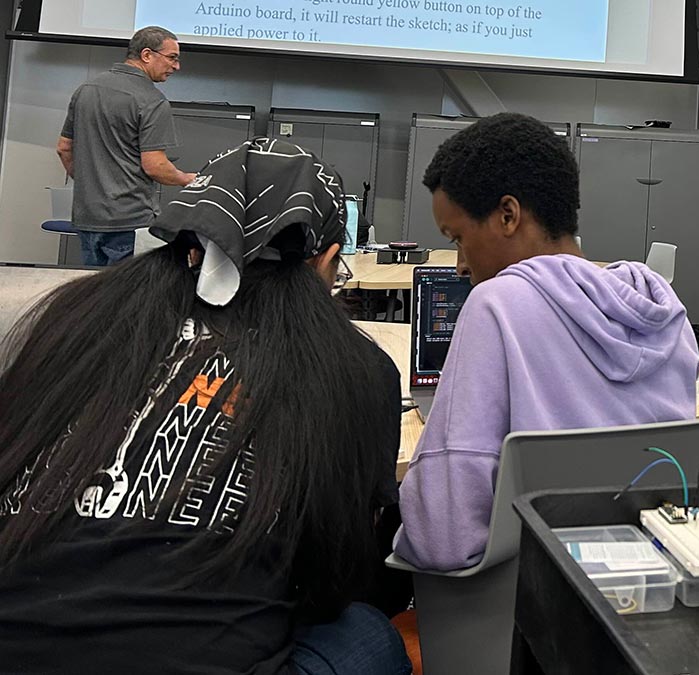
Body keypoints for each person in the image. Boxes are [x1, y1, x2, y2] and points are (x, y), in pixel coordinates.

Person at [0, 139, 410, 674]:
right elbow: (340, 577)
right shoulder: (351, 366)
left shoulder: (76, 319)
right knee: (366, 632)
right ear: (327, 260)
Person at [393, 113, 699, 571]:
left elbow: (443, 536)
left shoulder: (495, 305)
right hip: (656, 582)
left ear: (508, 215)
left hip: (529, 605)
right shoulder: (659, 309)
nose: (459, 265)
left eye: (458, 238)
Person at [56, 26, 196, 267]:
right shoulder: (152, 101)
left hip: (88, 216)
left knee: (94, 292)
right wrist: (187, 179)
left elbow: (64, 148)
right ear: (147, 55)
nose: (176, 66)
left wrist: (93, 186)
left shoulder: (86, 90)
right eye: (172, 58)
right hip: (130, 221)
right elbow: (155, 166)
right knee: (127, 298)